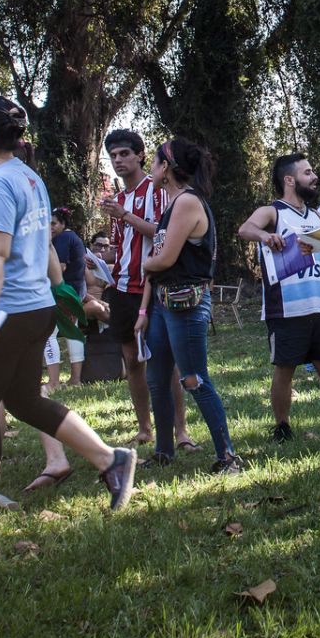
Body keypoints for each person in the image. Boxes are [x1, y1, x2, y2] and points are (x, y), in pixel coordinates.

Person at [0, 98, 135, 524]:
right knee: (25, 400)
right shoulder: (29, 178)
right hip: (35, 308)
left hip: (5, 312)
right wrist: (55, 290)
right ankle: (109, 459)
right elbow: (38, 245)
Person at [140, 137, 242, 473]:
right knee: (157, 378)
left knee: (193, 378)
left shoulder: (186, 203)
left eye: (153, 162)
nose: (150, 169)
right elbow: (162, 260)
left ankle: (227, 457)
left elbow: (164, 258)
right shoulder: (173, 204)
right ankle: (163, 452)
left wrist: (146, 263)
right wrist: (144, 307)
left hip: (185, 303)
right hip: (162, 301)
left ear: (166, 167)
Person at [237, 154, 320, 444]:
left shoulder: (316, 216)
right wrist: (266, 236)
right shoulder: (273, 212)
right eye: (307, 173)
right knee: (285, 368)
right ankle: (282, 426)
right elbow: (246, 229)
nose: (314, 177)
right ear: (289, 180)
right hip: (285, 308)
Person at [97, 128, 191, 452]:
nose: (119, 160)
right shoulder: (117, 200)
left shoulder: (158, 191)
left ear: (140, 155)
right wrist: (96, 257)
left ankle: (181, 431)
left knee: (166, 360)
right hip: (121, 287)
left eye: (125, 154)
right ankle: (144, 428)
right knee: (131, 360)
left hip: (153, 285)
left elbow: (162, 233)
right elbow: (121, 245)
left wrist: (125, 215)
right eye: (113, 156)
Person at [49, 207, 92, 387]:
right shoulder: (73, 237)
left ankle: (53, 381)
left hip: (63, 292)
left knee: (49, 335)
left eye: (53, 223)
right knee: (72, 331)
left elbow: (60, 267)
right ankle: (75, 379)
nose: (50, 227)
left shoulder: (63, 238)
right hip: (74, 292)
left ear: (63, 223)